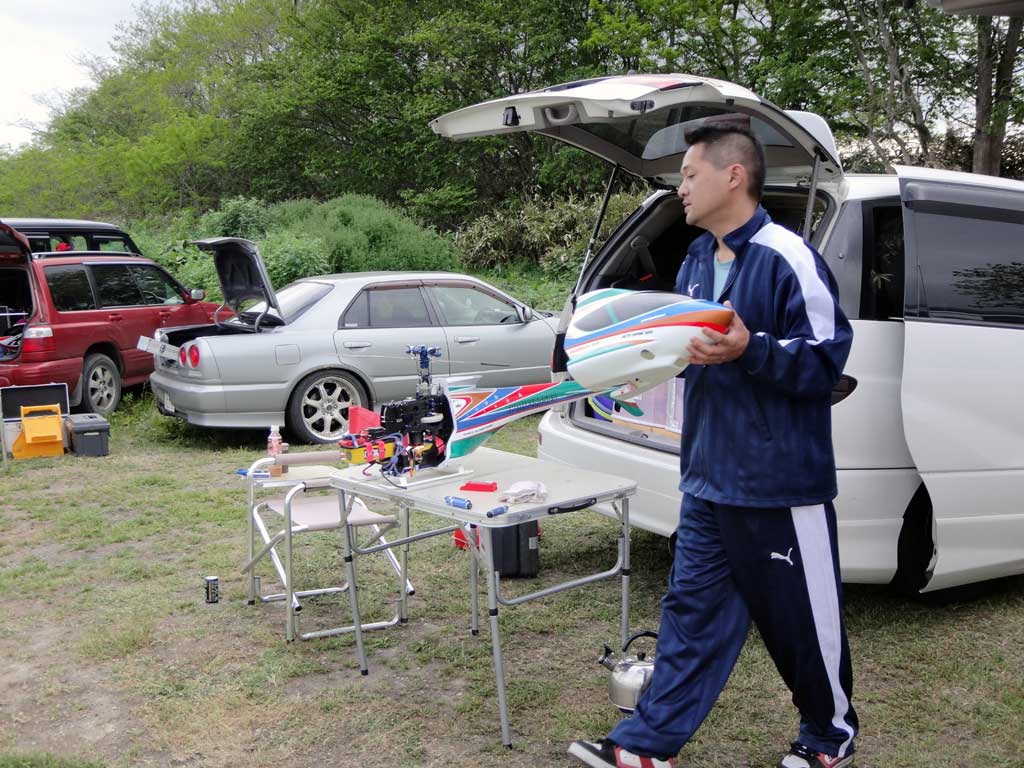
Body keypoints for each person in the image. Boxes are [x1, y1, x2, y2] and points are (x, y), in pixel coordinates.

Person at [569, 124, 857, 768]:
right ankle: (644, 746)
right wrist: (634, 367)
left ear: (733, 176)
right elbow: (684, 352)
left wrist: (751, 348)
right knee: (690, 614)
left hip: (779, 484)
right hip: (706, 476)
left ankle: (829, 738)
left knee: (801, 622)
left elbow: (826, 362)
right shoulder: (697, 259)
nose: (681, 188)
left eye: (690, 175)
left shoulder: (788, 257)